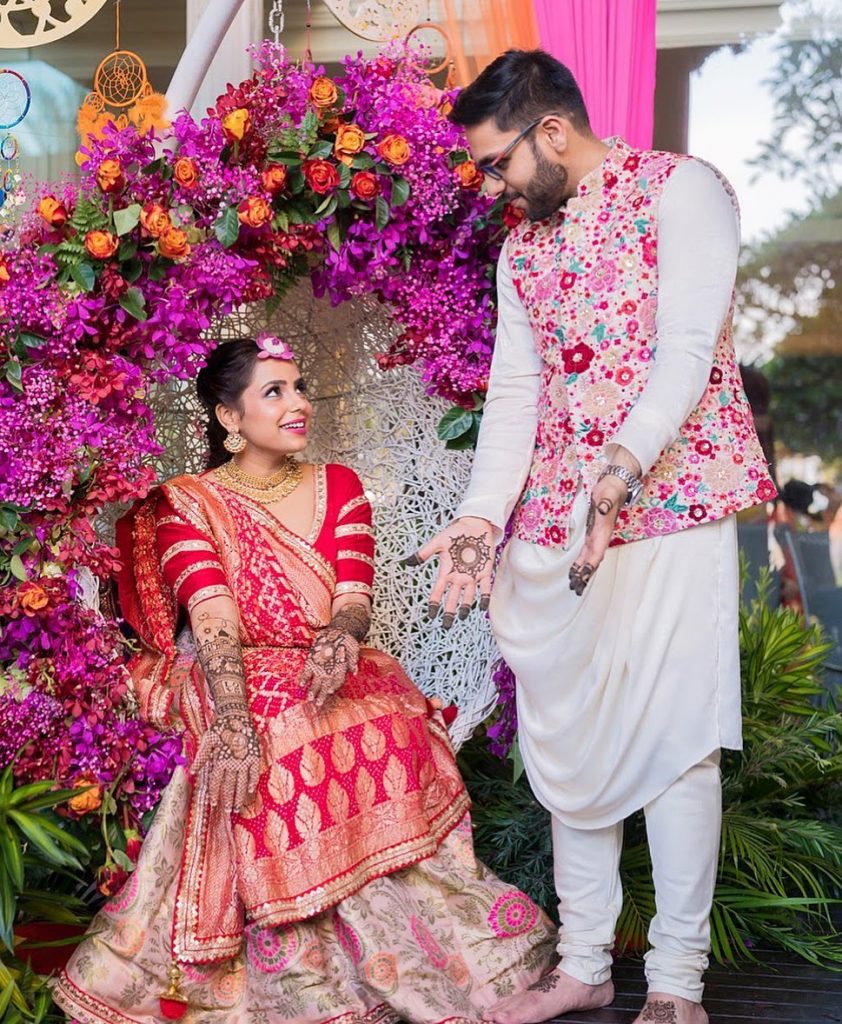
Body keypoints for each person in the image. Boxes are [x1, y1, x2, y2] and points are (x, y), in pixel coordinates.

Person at [405, 50, 776, 1024]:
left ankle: (674, 983)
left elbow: (686, 349)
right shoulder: (519, 251)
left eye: (496, 162)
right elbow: (515, 398)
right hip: (555, 532)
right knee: (569, 744)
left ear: (553, 133)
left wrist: (617, 471)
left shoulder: (678, 191)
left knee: (675, 740)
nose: (489, 184)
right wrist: (482, 518)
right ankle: (580, 964)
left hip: (668, 504)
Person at [53, 336, 555, 1024]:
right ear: (229, 418)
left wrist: (340, 640)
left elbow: (354, 594)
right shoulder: (188, 502)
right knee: (276, 738)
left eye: (299, 387)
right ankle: (299, 976)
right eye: (275, 391)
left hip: (333, 660)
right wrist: (232, 719)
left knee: (387, 715)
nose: (298, 404)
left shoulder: (339, 484)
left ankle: (404, 950)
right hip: (234, 669)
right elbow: (213, 615)